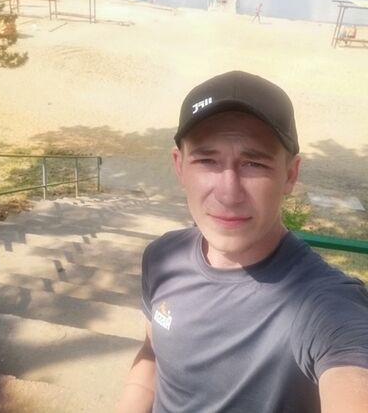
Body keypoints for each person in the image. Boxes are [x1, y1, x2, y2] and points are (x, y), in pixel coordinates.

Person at [116, 71, 368, 413]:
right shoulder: (162, 256)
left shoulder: (324, 303)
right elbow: (152, 354)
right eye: (207, 160)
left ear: (290, 174)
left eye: (254, 163)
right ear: (179, 166)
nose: (228, 193)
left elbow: (352, 372)